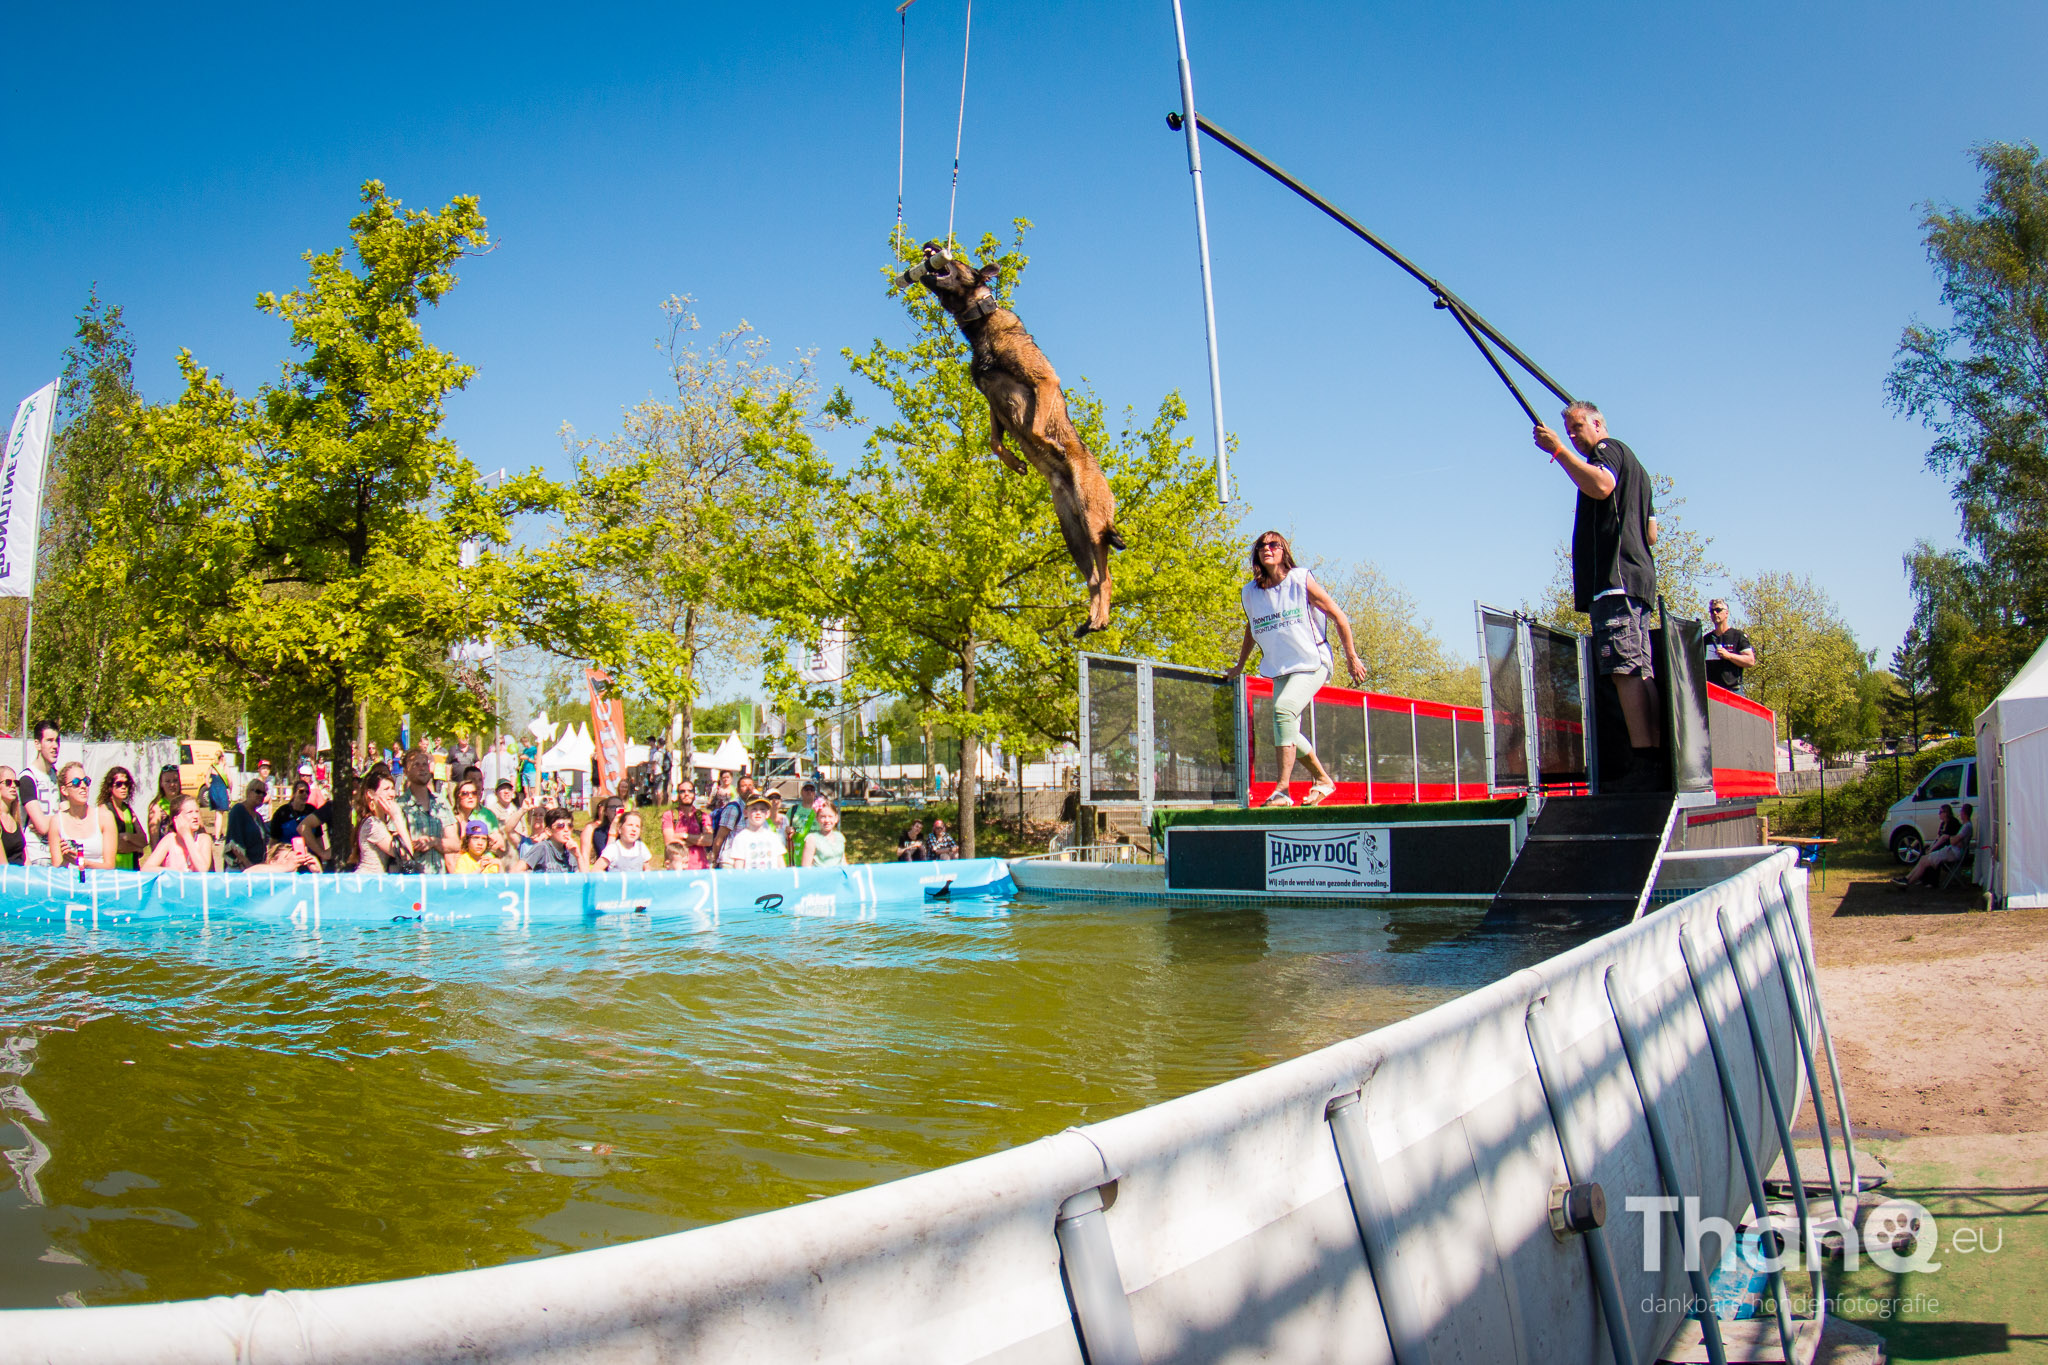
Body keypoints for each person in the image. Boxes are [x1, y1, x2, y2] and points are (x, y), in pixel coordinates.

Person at [1534, 401, 1664, 790]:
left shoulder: (1608, 451)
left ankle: (1643, 763)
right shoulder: (1639, 470)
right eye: (1569, 431)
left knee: (1623, 670)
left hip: (1615, 580)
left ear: (1598, 423)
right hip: (1637, 581)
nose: (1574, 435)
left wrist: (1559, 450)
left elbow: (1601, 484)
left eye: (1577, 427)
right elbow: (1652, 533)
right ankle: (1655, 757)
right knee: (1641, 669)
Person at [1224, 532, 1367, 807]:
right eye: (1262, 546)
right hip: (1281, 667)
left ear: (1283, 551)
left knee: (1283, 711)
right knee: (1284, 728)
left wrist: (1351, 656)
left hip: (1313, 662)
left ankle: (1282, 789)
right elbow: (1251, 629)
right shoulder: (1251, 592)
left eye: (1273, 544)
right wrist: (1239, 665)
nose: (1267, 548)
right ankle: (1324, 780)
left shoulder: (1300, 581)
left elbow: (1338, 616)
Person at [396, 747, 457, 873]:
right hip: (412, 879)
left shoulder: (441, 802)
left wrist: (433, 842)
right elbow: (396, 847)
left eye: (425, 764)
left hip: (438, 879)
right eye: (416, 765)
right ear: (406, 771)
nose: (422, 768)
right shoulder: (400, 805)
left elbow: (456, 844)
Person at [50, 762, 117, 870]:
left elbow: (110, 866)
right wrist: (66, 860)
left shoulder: (105, 817)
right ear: (64, 790)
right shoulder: (57, 821)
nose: (83, 786)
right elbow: (56, 870)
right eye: (76, 782)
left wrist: (83, 863)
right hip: (70, 884)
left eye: (86, 781)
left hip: (98, 883)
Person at [17, 719, 64, 865]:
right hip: (37, 854)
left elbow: (72, 816)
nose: (55, 746)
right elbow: (42, 826)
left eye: (57, 741)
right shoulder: (27, 778)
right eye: (49, 740)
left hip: (58, 853)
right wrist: (62, 817)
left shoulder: (58, 777)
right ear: (37, 744)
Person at [355, 769, 420, 874]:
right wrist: (397, 816)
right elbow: (406, 854)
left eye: (393, 789)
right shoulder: (372, 824)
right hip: (368, 882)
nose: (392, 794)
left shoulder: (381, 823)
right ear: (371, 794)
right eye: (386, 789)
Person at [1898, 802, 1975, 887]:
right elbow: (1951, 839)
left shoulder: (1966, 827)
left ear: (1963, 813)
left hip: (1953, 852)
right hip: (1950, 850)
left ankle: (1907, 882)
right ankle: (1906, 879)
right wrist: (1953, 838)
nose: (1960, 813)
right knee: (1923, 858)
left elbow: (1952, 841)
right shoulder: (1965, 826)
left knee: (1924, 861)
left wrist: (1951, 838)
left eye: (1961, 812)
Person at [141, 794, 215, 872]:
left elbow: (202, 869)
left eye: (197, 811)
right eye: (189, 812)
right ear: (176, 818)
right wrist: (173, 872)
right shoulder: (169, 839)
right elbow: (146, 869)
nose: (195, 816)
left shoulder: (204, 839)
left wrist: (187, 836)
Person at [1703, 599, 1757, 693]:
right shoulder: (1706, 639)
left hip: (1733, 690)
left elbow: (1750, 661)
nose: (1715, 613)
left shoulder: (1738, 636)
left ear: (1726, 613)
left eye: (1718, 610)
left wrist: (1729, 656)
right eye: (1712, 611)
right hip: (1712, 691)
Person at [98, 767, 147, 871]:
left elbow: (143, 840)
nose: (124, 787)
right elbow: (117, 846)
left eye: (126, 783)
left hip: (132, 867)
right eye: (119, 784)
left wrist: (128, 837)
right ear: (110, 787)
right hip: (115, 869)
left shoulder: (128, 810)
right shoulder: (105, 810)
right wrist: (137, 848)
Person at [723, 797, 786, 869]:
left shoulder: (774, 837)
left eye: (762, 809)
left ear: (767, 814)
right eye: (754, 809)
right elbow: (738, 868)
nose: (758, 813)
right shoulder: (741, 838)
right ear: (746, 813)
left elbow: (781, 865)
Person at [663, 788, 713, 871]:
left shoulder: (703, 816)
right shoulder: (670, 815)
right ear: (678, 795)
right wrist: (697, 840)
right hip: (677, 868)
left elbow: (708, 841)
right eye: (682, 791)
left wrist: (684, 836)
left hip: (700, 867)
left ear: (694, 795)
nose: (686, 794)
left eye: (690, 791)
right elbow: (669, 842)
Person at [224, 779, 269, 869]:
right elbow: (234, 844)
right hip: (240, 869)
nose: (261, 795)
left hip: (256, 866)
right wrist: (248, 865)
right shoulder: (238, 810)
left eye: (263, 794)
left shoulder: (258, 817)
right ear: (248, 792)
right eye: (258, 792)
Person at [524, 808, 582, 873]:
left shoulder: (571, 851)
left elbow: (585, 879)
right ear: (549, 831)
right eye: (560, 826)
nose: (566, 829)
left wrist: (578, 856)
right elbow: (516, 870)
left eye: (570, 825)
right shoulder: (542, 848)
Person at [268, 777, 321, 846]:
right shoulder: (282, 813)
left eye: (307, 792)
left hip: (309, 854)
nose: (305, 794)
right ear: (294, 794)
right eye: (301, 791)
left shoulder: (312, 810)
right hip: (287, 854)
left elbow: (318, 838)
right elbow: (273, 841)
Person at [146, 765, 184, 845]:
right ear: (161, 784)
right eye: (168, 781)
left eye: (175, 780)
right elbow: (154, 837)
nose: (172, 785)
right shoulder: (157, 806)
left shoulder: (186, 802)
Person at [801, 802, 846, 867]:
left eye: (830, 816)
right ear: (817, 819)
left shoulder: (840, 837)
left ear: (836, 818)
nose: (827, 820)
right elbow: (805, 868)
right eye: (823, 817)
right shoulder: (812, 839)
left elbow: (843, 862)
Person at [786, 781, 820, 860]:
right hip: (798, 853)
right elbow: (786, 830)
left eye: (811, 789)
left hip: (816, 850)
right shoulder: (793, 810)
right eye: (806, 789)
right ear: (801, 792)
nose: (809, 792)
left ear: (815, 793)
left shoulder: (819, 810)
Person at [0, 767, 25, 865]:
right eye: (8, 782)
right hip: (6, 876)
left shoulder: (16, 818)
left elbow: (25, 857)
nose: (13, 786)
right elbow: (3, 864)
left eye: (16, 783)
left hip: (20, 874)